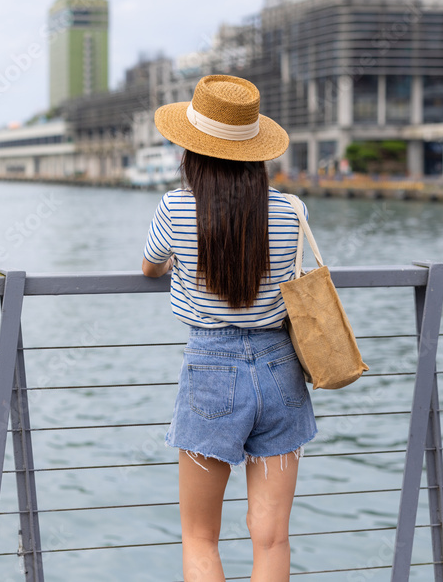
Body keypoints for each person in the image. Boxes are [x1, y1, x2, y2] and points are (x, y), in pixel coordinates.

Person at [141, 74, 317, 582]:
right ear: (255, 150)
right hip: (282, 370)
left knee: (200, 537)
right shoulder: (291, 210)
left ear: (191, 151)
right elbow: (294, 276)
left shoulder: (175, 207)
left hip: (210, 372)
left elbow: (151, 266)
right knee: (272, 537)